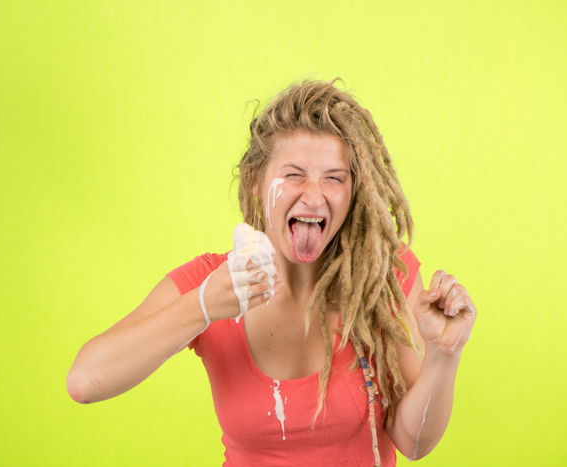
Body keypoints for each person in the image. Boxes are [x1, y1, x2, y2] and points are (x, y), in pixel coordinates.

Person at [66, 78, 477, 466]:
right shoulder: (212, 283)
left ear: (355, 192)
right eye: (294, 175)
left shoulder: (384, 278)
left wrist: (443, 356)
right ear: (256, 182)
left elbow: (414, 442)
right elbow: (86, 382)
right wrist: (203, 307)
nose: (313, 196)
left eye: (334, 179)